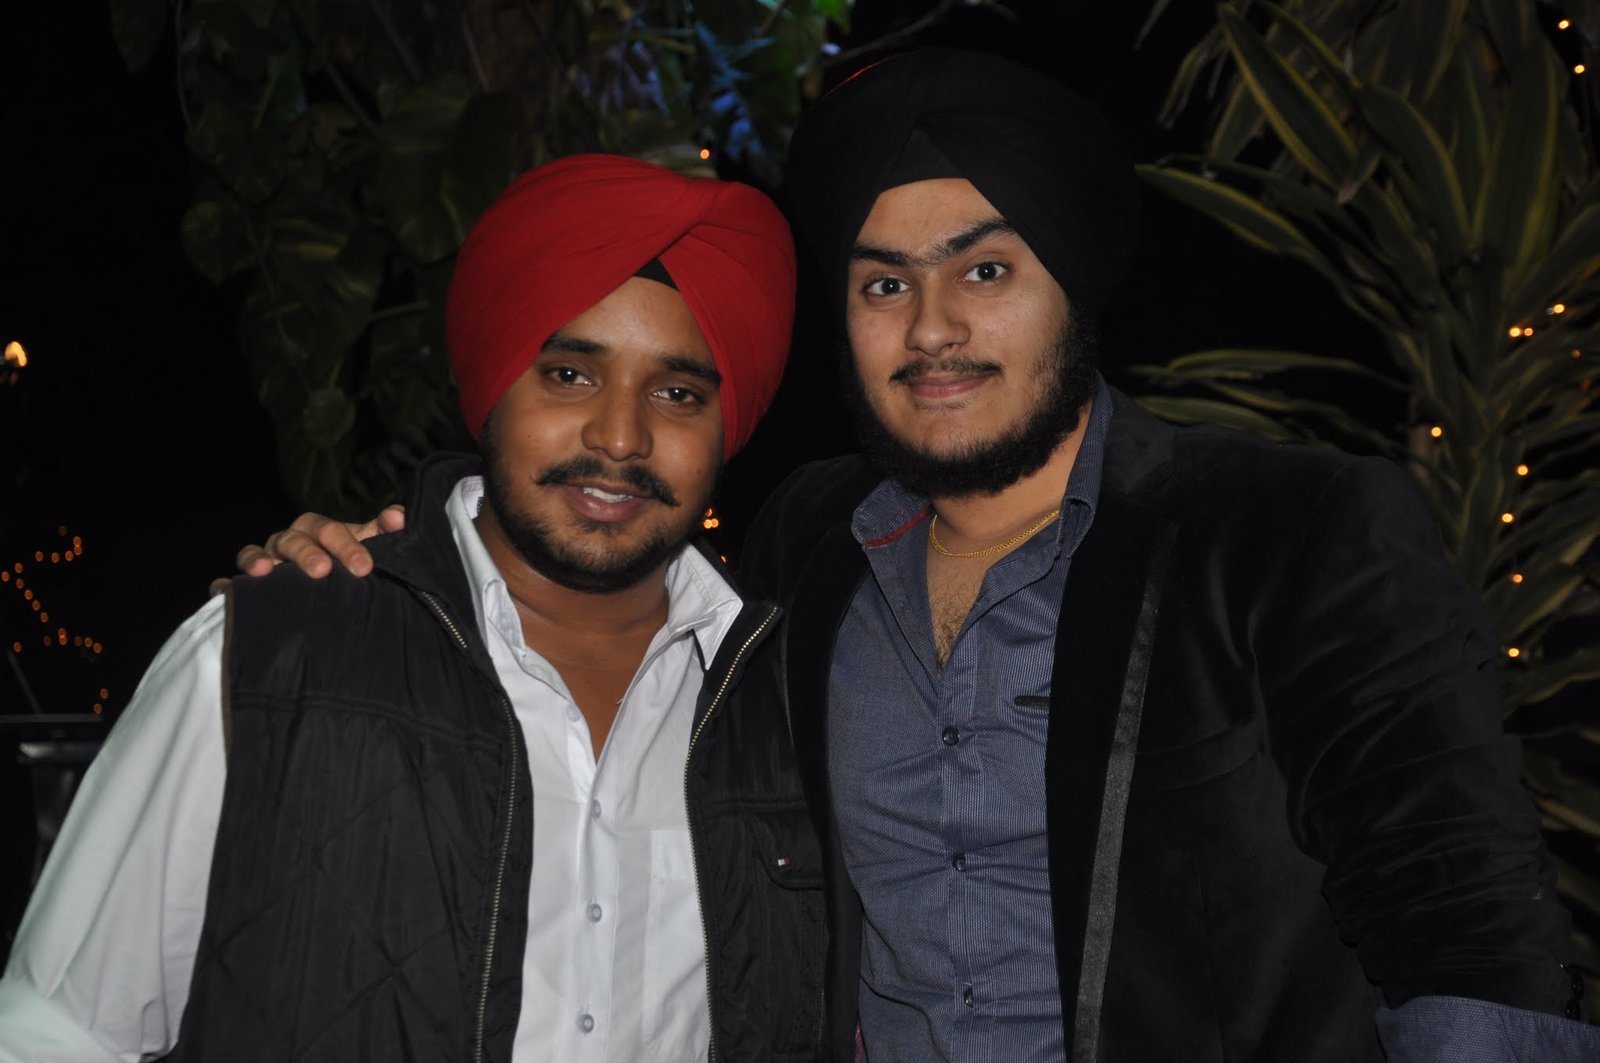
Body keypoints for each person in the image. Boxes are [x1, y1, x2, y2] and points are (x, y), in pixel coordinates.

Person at [224, 50, 1600, 1062]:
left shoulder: (1285, 531)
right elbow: (592, 583)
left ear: (1073, 289)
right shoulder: (805, 550)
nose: (931, 327)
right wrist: (403, 549)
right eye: (884, 281)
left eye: (984, 271)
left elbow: (1462, 918)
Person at [0, 154, 828, 1063]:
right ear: (493, 387)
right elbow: (55, 1032)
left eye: (677, 393)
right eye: (569, 374)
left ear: (725, 428)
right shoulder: (270, 661)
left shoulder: (792, 711)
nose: (621, 436)